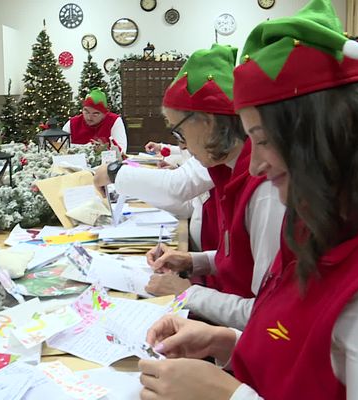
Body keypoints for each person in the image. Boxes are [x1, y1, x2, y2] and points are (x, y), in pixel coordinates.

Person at [139, 1, 358, 399]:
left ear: (324, 137)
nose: (256, 165)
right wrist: (229, 343)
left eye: (262, 140)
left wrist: (227, 396)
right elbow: (300, 348)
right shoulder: (319, 225)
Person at [97, 44, 284, 329]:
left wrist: (186, 293)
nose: (181, 145)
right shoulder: (226, 171)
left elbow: (267, 312)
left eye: (179, 131)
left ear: (207, 122)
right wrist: (192, 261)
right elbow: (239, 258)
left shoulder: (264, 191)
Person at [63, 88, 127, 153]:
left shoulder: (114, 121)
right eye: (86, 112)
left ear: (105, 113)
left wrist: (104, 150)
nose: (89, 117)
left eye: (95, 113)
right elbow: (60, 147)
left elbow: (121, 151)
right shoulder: (73, 123)